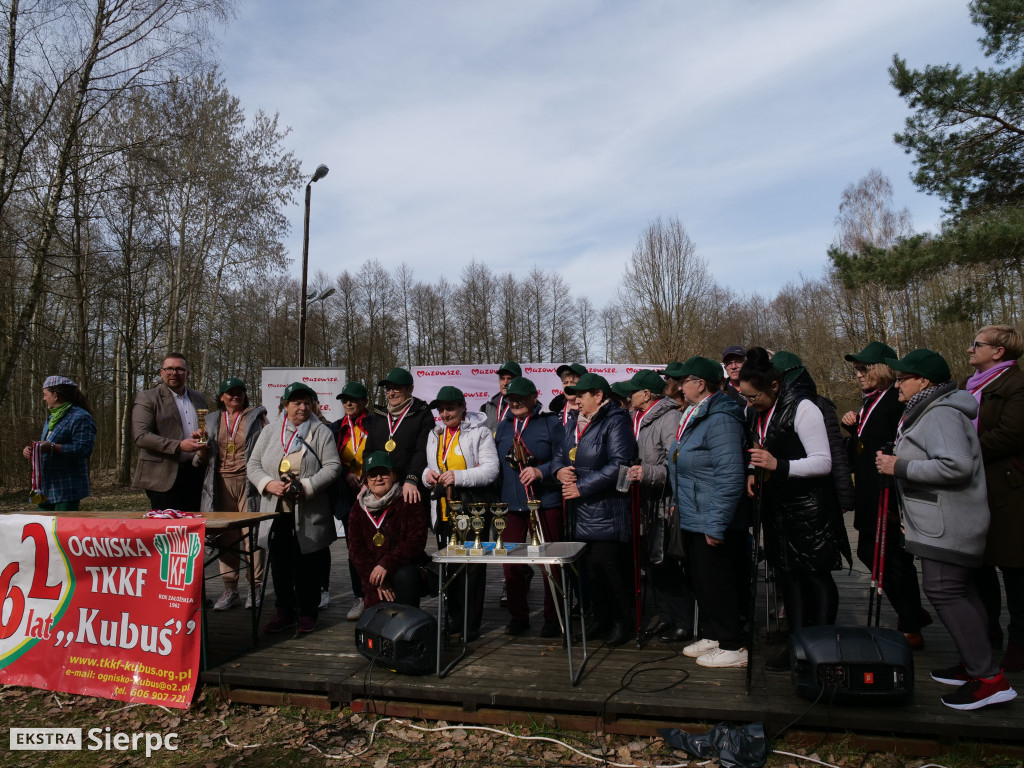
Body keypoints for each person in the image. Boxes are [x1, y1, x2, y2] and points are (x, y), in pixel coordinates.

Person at [876, 349, 1016, 711]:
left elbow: (957, 467)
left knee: (945, 590)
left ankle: (989, 679)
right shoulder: (932, 410)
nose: (897, 385)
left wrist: (899, 466)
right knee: (961, 591)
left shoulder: (940, 414)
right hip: (943, 522)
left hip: (950, 523)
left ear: (924, 381)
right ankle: (976, 665)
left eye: (902, 378)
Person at [739, 348, 841, 672]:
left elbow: (824, 462)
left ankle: (821, 648)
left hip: (810, 507)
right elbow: (763, 451)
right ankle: (797, 645)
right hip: (777, 506)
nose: (749, 403)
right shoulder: (757, 412)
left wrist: (778, 465)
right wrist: (754, 474)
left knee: (815, 576)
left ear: (774, 386)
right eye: (745, 397)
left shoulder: (804, 408)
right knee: (788, 575)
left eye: (753, 396)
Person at [840, 342, 928, 647]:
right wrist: (853, 429)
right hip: (869, 490)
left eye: (864, 370)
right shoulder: (871, 401)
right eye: (857, 370)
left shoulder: (894, 401)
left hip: (887, 494)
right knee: (869, 552)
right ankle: (913, 613)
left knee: (892, 559)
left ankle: (911, 624)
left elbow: (897, 446)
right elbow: (868, 445)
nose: (859, 376)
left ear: (880, 370)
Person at [669, 357, 749, 668]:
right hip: (693, 513)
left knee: (718, 581)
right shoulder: (694, 414)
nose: (677, 387)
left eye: (683, 381)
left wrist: (716, 524)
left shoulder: (721, 419)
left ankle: (734, 645)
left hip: (713, 517)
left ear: (701, 384)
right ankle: (715, 633)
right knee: (703, 581)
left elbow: (730, 475)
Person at [247, 382, 341, 635]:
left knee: (308, 563)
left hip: (309, 511)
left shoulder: (322, 432)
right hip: (277, 510)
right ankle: (285, 611)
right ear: (285, 406)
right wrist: (269, 484)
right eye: (296, 403)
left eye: (307, 402)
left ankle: (308, 612)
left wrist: (306, 486)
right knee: (280, 564)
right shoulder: (269, 433)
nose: (302, 407)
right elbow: (253, 465)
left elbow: (332, 467)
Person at [552, 372, 636, 646]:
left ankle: (623, 623)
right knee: (589, 570)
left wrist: (582, 487)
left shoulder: (616, 421)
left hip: (605, 509)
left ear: (598, 396)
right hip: (579, 512)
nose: (576, 401)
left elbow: (620, 463)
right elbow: (559, 455)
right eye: (575, 396)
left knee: (608, 567)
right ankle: (600, 620)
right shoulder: (575, 423)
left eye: (582, 396)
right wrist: (559, 471)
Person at [963, 325, 1024, 672]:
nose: (971, 349)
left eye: (977, 344)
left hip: (1008, 489)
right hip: (973, 488)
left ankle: (1020, 641)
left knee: (1015, 571)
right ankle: (987, 632)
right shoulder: (968, 387)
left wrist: (962, 453)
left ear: (999, 351)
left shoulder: (1017, 385)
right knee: (978, 566)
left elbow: (1012, 434)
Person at [619, 368, 694, 643]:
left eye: (633, 391)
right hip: (640, 502)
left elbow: (676, 463)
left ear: (646, 394)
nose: (629, 395)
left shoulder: (669, 417)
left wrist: (645, 473)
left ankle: (684, 620)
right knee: (651, 564)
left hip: (662, 502)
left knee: (667, 564)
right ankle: (665, 615)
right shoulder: (633, 416)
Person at [423, 385, 499, 640]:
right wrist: (427, 475)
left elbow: (491, 470)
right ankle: (455, 619)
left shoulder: (481, 432)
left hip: (472, 509)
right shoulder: (435, 434)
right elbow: (430, 468)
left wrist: (459, 476)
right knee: (450, 567)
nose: (445, 414)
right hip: (444, 510)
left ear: (463, 407)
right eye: (442, 410)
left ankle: (471, 624)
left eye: (451, 408)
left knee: (472, 569)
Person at [495, 376, 565, 637]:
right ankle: (518, 616)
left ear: (535, 397)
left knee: (550, 563)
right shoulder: (503, 426)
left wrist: (541, 472)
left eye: (522, 398)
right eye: (511, 399)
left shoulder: (550, 423)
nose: (516, 402)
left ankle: (552, 616)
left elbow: (563, 457)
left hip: (545, 502)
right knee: (510, 564)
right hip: (511, 506)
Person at [200, 378, 268, 611]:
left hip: (249, 483)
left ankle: (255, 587)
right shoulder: (210, 420)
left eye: (239, 392)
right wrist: (199, 450)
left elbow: (268, 446)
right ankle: (230, 589)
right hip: (219, 483)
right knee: (225, 536)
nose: (235, 396)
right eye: (230, 393)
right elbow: (201, 457)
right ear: (221, 397)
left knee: (252, 536)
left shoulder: (256, 417)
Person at [349, 452, 431, 610]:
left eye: (384, 474)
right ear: (366, 480)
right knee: (376, 623)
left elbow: (416, 542)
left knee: (405, 576)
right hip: (374, 579)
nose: (378, 479)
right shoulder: (358, 508)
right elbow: (355, 550)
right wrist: (377, 579)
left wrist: (386, 565)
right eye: (372, 475)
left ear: (394, 475)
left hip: (404, 572)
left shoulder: (408, 500)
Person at [131, 352, 208, 511]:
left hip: (196, 473)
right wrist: (179, 446)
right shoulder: (148, 398)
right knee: (167, 531)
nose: (174, 373)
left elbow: (205, 428)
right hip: (163, 476)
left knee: (194, 528)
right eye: (169, 369)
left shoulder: (199, 397)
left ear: (188, 373)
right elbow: (141, 436)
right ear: (162, 372)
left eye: (179, 369)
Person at [329, 381, 375, 621]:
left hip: (375, 492)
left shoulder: (376, 424)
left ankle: (378, 594)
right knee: (354, 548)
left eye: (353, 400)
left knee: (379, 545)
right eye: (344, 400)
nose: (348, 403)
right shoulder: (336, 428)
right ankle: (360, 596)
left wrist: (367, 477)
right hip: (347, 495)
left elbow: (382, 453)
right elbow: (331, 460)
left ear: (364, 402)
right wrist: (346, 474)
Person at [21, 375, 96, 511]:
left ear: (55, 395)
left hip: (66, 488)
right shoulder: (52, 418)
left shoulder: (80, 416)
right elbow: (48, 444)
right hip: (44, 488)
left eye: (45, 394)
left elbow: (84, 449)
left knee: (61, 531)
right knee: (43, 530)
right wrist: (33, 450)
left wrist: (51, 447)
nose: (44, 398)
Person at [364, 367, 434, 509]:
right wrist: (366, 482)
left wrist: (412, 479)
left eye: (396, 388)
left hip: (408, 489)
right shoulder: (379, 416)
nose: (391, 393)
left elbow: (421, 451)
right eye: (388, 389)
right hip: (380, 489)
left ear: (410, 389)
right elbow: (368, 451)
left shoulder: (423, 414)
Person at [481, 361, 521, 434]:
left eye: (509, 378)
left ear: (519, 380)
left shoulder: (529, 407)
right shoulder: (486, 408)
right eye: (502, 378)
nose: (505, 383)